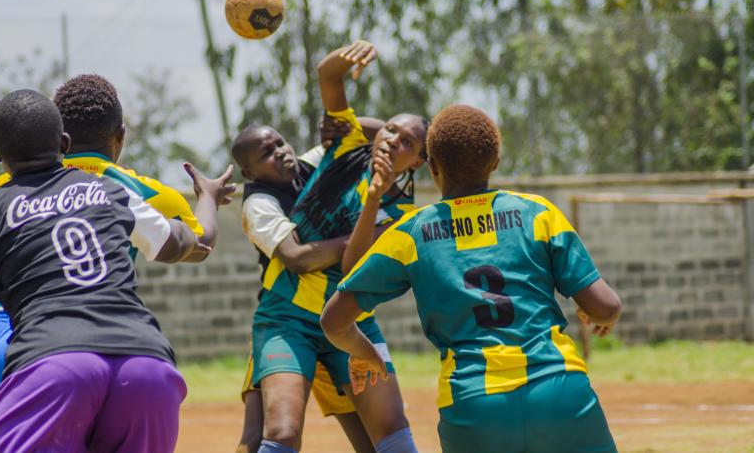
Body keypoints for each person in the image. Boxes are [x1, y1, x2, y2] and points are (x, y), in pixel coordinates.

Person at [321, 104, 621, 453]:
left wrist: (365, 353)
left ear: (431, 166)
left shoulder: (411, 233)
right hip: (560, 391)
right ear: (494, 162)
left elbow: (334, 321)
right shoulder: (538, 213)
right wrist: (594, 314)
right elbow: (607, 306)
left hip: (473, 402)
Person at [0, 74, 233, 439]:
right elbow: (197, 243)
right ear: (118, 135)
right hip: (142, 356)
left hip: (34, 350)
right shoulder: (121, 190)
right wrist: (207, 198)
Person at [252, 40, 427, 453]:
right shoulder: (348, 142)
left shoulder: (401, 212)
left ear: (417, 162)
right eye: (391, 130)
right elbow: (328, 76)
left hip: (349, 322)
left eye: (407, 143)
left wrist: (373, 199)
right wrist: (348, 56)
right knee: (281, 432)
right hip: (286, 314)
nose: (393, 140)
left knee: (391, 432)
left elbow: (353, 266)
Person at [233, 118, 383, 453]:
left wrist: (348, 123)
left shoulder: (311, 165)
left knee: (370, 439)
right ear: (249, 172)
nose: (282, 153)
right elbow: (298, 258)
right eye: (267, 153)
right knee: (263, 434)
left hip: (336, 322)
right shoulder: (259, 203)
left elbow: (373, 136)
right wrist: (363, 239)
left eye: (280, 143)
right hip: (287, 321)